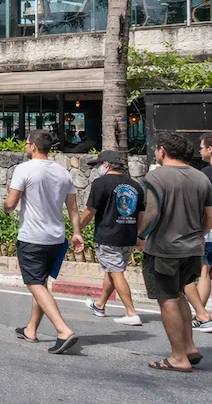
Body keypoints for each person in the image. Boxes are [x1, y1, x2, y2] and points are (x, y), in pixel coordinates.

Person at [4, 130, 84, 355]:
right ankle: (31, 329)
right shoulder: (63, 172)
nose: (25, 146)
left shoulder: (24, 169)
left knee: (34, 283)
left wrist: (6, 205)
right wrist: (77, 232)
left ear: (32, 146)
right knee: (41, 283)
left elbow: (11, 203)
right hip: (57, 238)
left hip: (32, 237)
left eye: (26, 143)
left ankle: (63, 330)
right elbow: (73, 208)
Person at [138, 132, 212, 372]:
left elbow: (152, 212)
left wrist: (141, 235)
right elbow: (210, 215)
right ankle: (189, 347)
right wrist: (198, 234)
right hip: (192, 248)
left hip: (164, 248)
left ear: (162, 150)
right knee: (179, 293)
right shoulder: (202, 179)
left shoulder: (155, 177)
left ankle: (178, 357)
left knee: (167, 298)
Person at [79, 150, 144, 326]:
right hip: (128, 236)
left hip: (108, 236)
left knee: (116, 272)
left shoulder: (101, 183)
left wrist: (77, 229)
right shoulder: (136, 185)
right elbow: (141, 214)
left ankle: (131, 312)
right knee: (112, 269)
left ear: (107, 165)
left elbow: (90, 211)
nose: (98, 168)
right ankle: (100, 305)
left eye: (99, 165)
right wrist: (138, 234)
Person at [189, 132, 212, 332]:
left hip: (210, 228)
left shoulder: (205, 174)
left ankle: (201, 315)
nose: (200, 150)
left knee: (205, 271)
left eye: (202, 147)